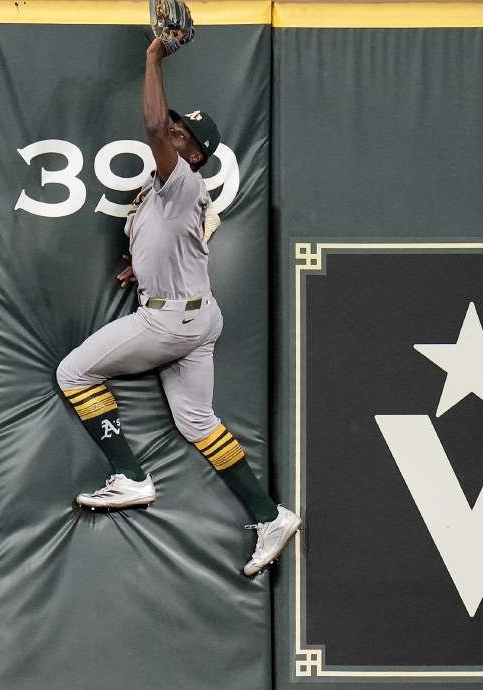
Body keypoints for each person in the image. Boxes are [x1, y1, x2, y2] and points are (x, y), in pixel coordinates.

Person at [54, 34, 301, 576]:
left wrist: (151, 58)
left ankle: (132, 477)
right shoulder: (160, 193)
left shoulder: (183, 179)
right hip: (198, 315)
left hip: (168, 321)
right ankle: (269, 515)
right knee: (197, 422)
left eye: (181, 132)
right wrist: (136, 264)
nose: (171, 131)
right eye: (175, 125)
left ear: (194, 153)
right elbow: (167, 242)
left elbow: (149, 127)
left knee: (73, 372)